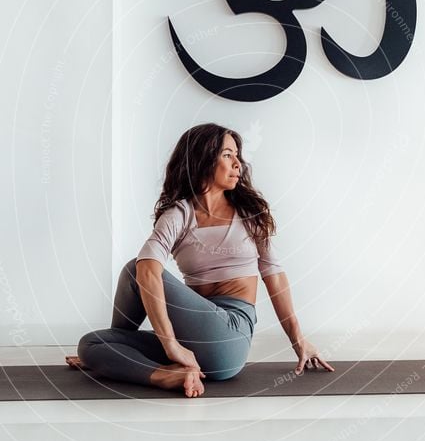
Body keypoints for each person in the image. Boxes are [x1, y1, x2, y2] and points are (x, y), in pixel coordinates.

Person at [66, 123, 334, 398]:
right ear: (204, 158)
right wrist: (150, 346)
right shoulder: (179, 215)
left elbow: (273, 274)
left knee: (136, 268)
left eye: (237, 155)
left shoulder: (248, 212)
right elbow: (148, 269)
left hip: (228, 337)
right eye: (228, 155)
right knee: (90, 344)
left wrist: (298, 340)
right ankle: (164, 374)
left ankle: (135, 355)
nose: (238, 163)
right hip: (192, 345)